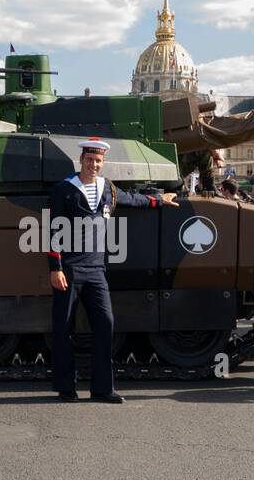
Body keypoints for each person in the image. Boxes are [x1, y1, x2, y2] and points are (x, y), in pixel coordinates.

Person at [48, 138, 178, 402]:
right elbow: (53, 229)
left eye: (98, 161)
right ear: (81, 160)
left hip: (96, 269)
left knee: (105, 325)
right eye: (89, 160)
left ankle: (102, 389)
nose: (93, 165)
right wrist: (55, 268)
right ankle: (66, 387)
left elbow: (132, 199)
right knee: (63, 329)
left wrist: (158, 200)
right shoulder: (64, 189)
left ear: (102, 163)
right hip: (70, 270)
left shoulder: (107, 188)